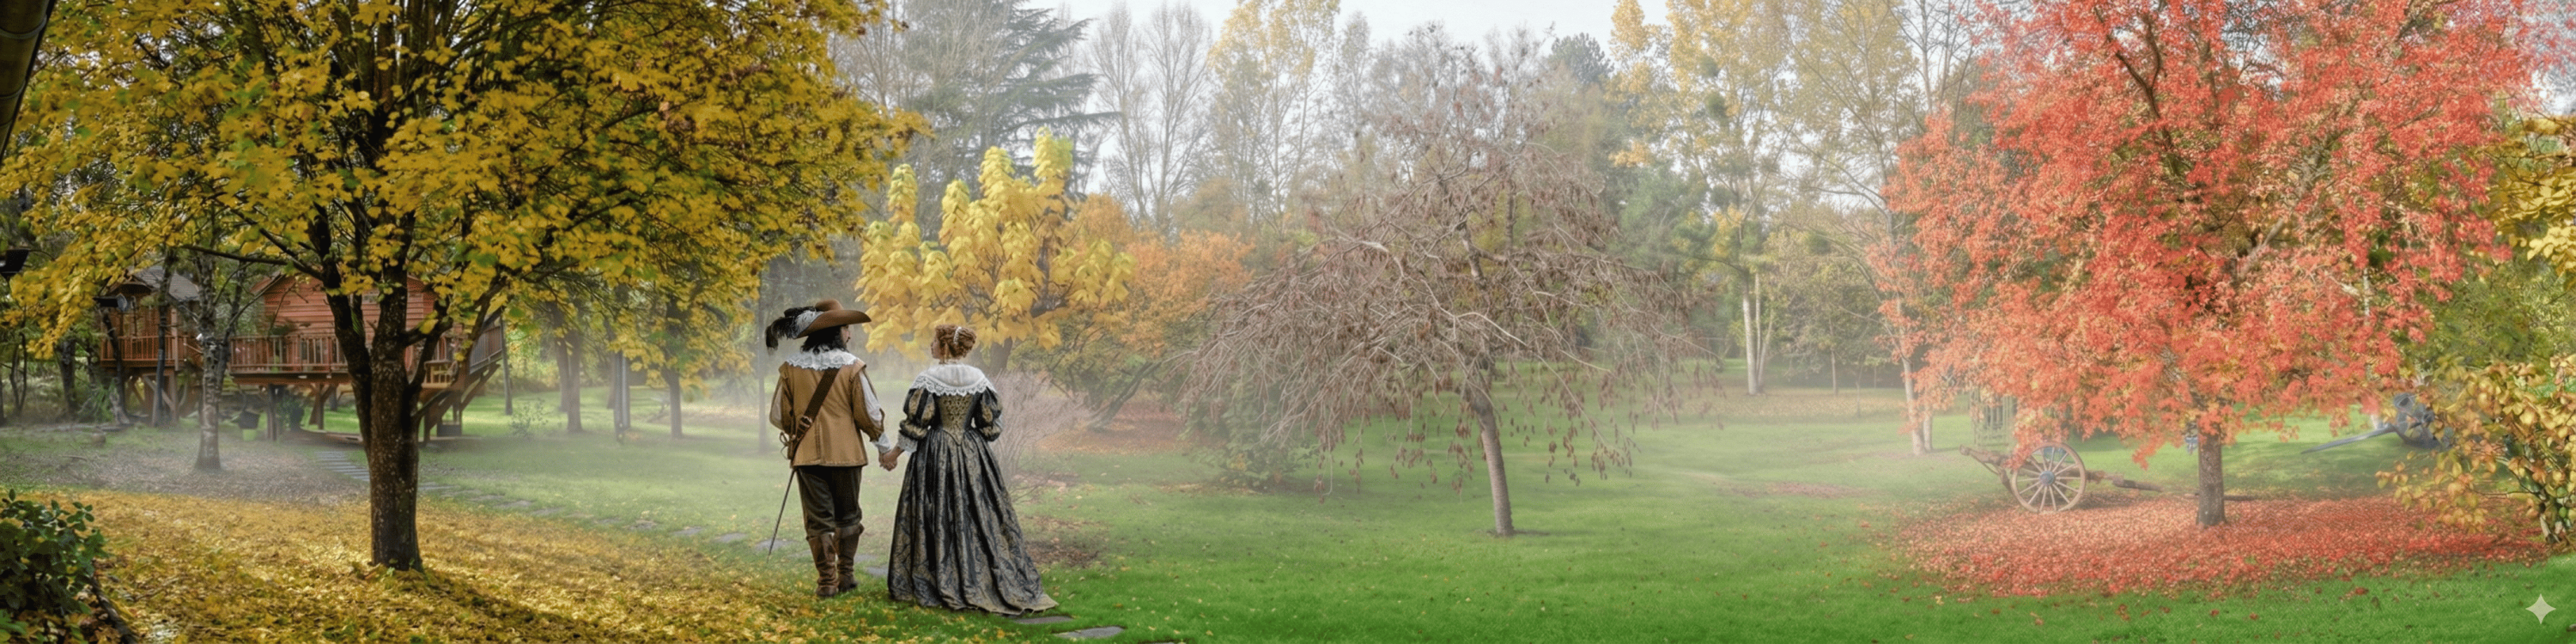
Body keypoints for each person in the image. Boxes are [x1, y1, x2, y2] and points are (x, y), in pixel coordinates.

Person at [880, 325, 1059, 615]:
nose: (931, 346)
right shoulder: (979, 379)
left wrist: (893, 455)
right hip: (971, 452)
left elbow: (918, 425)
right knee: (974, 512)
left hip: (935, 451)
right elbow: (989, 426)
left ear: (946, 346)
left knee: (936, 511)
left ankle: (938, 576)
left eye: (935, 341)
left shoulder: (928, 379)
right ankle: (975, 574)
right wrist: (971, 440)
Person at [765, 300, 894, 598]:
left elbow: (780, 416)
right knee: (848, 516)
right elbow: (869, 413)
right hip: (847, 456)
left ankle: (827, 582)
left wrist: (800, 433)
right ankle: (846, 576)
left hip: (807, 457)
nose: (850, 334)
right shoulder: (852, 367)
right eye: (847, 328)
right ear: (837, 331)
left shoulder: (791, 369)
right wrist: (882, 447)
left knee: (818, 520)